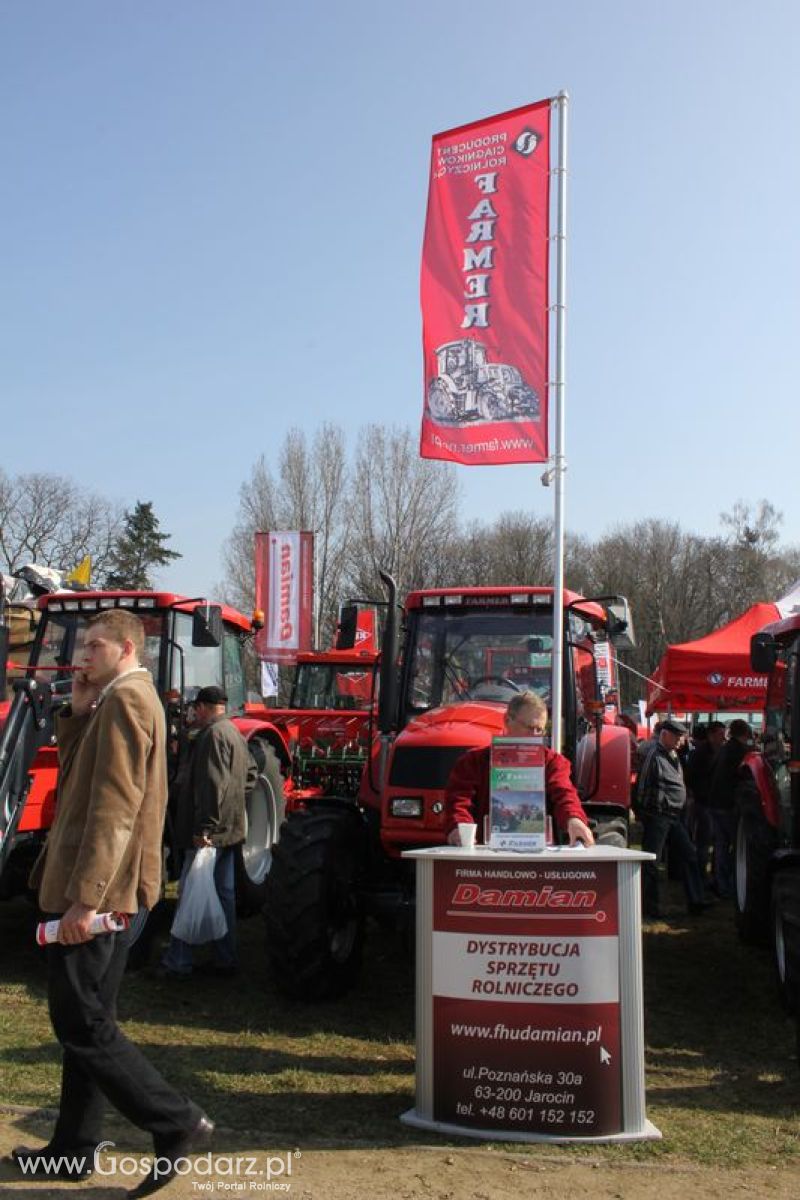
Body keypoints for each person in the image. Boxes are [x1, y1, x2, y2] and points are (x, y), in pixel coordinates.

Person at [8, 609, 212, 1196]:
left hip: (104, 892)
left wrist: (84, 900)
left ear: (126, 648)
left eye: (94, 646)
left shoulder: (127, 701)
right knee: (88, 1020)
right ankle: (72, 1151)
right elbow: (80, 782)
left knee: (81, 1021)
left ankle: (175, 1121)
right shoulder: (115, 699)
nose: (82, 655)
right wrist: (74, 714)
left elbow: (116, 809)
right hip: (112, 889)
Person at [159, 684, 251, 979]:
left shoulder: (211, 736)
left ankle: (178, 961)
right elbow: (250, 775)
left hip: (208, 834)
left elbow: (212, 785)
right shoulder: (235, 733)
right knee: (224, 894)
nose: (193, 714)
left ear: (203, 708)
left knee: (190, 893)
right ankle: (226, 958)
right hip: (230, 830)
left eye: (195, 709)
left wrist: (205, 829)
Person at [443, 691, 595, 846]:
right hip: (484, 855)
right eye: (530, 727)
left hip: (538, 855)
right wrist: (458, 827)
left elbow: (564, 793)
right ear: (508, 720)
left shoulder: (553, 762)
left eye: (540, 730)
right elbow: (459, 800)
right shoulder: (473, 761)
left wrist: (574, 819)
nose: (535, 735)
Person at [636, 716, 710, 919]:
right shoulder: (654, 755)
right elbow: (641, 787)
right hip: (659, 816)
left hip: (673, 817)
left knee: (689, 855)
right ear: (665, 735)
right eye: (676, 736)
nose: (680, 741)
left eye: (681, 737)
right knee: (651, 862)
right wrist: (646, 814)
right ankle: (649, 909)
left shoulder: (672, 754)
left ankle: (696, 901)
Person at [707, 718, 753, 899]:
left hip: (715, 802)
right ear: (745, 733)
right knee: (736, 847)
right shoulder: (741, 752)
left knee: (720, 845)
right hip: (728, 804)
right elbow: (744, 777)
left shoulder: (724, 749)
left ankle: (720, 882)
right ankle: (729, 886)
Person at [684, 720, 727, 889]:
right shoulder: (700, 753)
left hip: (716, 803)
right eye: (719, 734)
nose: (723, 738)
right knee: (704, 842)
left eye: (724, 734)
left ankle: (714, 876)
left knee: (717, 842)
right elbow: (690, 777)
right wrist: (696, 795)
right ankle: (701, 876)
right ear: (710, 735)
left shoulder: (721, 751)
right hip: (703, 803)